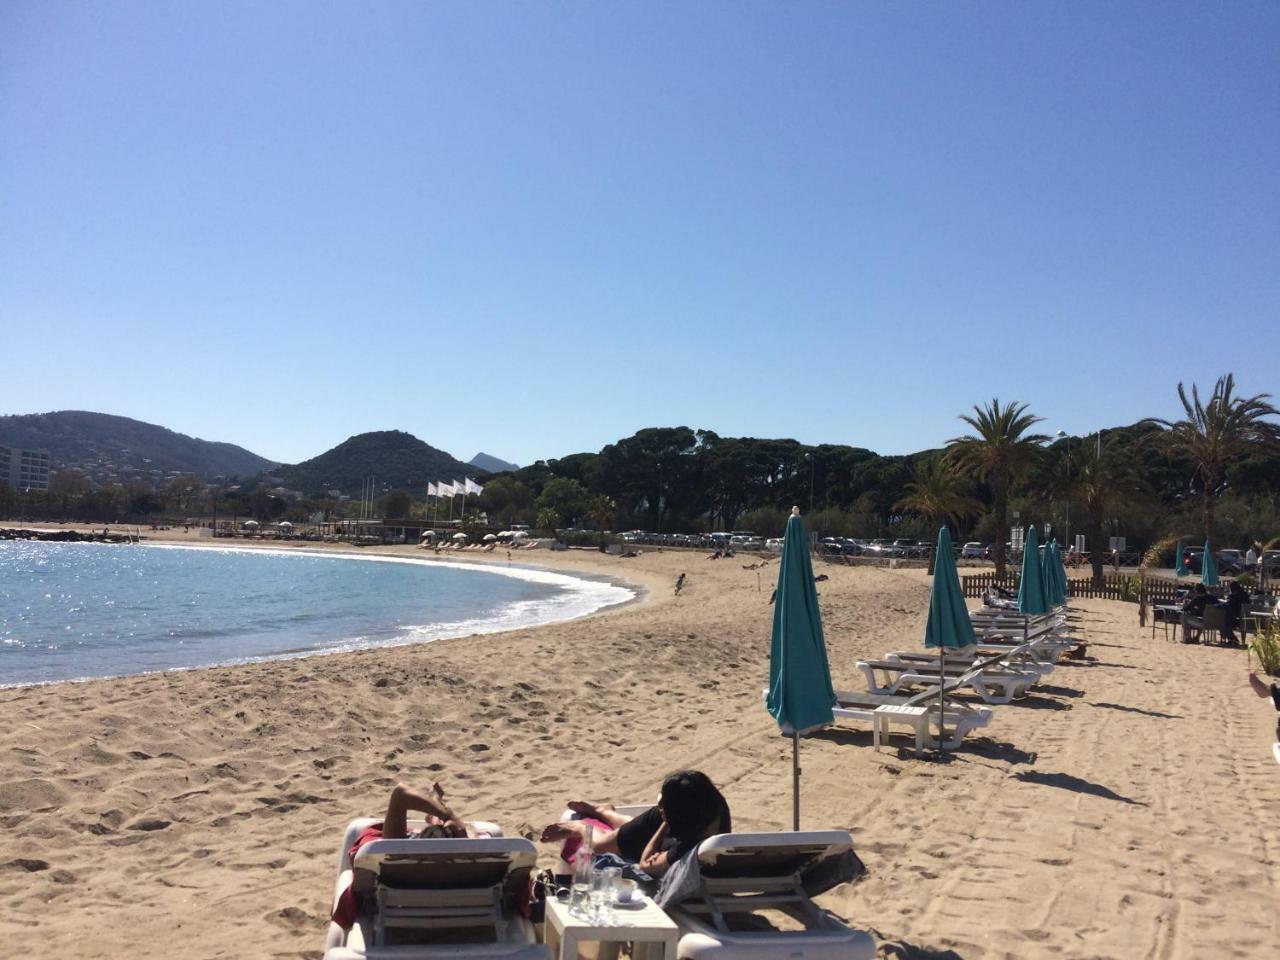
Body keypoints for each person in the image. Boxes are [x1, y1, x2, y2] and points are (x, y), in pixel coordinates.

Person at [540, 770, 730, 879]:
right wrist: (664, 820)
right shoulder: (713, 807)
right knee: (603, 843)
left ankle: (589, 822)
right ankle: (590, 821)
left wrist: (664, 823)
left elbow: (646, 865)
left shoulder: (687, 847)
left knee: (599, 846)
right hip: (683, 814)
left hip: (679, 819)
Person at [1220, 581, 1248, 646]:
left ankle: (1233, 639)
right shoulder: (1245, 595)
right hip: (1244, 618)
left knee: (1221, 621)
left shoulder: (1234, 596)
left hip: (1234, 618)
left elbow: (1229, 604)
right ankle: (1232, 639)